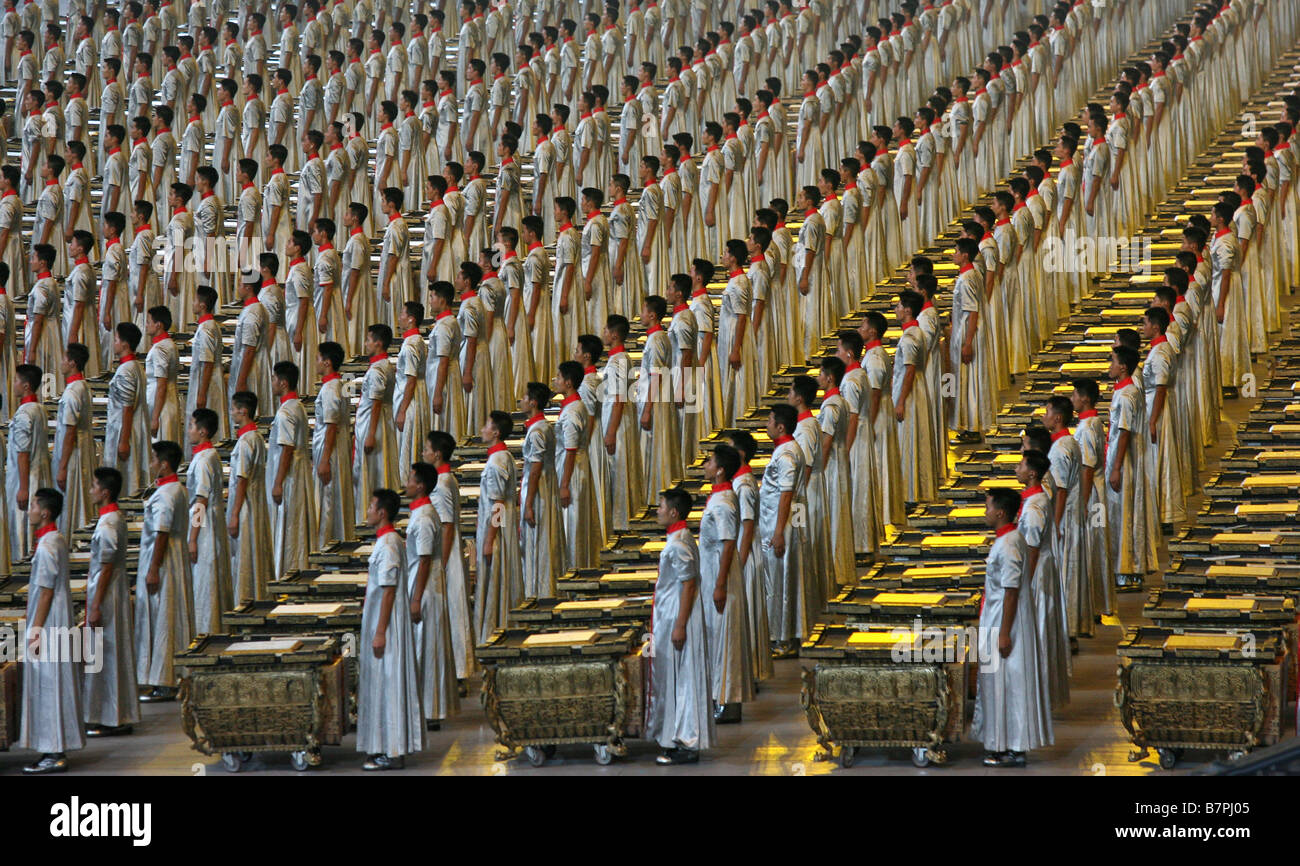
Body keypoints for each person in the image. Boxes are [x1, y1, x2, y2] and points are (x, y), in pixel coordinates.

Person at [972, 487, 1052, 768]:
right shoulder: (1011, 538)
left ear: (1000, 512)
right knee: (1002, 685)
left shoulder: (1007, 546)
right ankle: (1005, 743)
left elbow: (1010, 591)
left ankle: (1010, 747)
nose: (985, 511)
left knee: (1005, 685)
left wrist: (1004, 633)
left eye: (988, 506)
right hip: (997, 619)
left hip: (1003, 624)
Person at [17, 487, 84, 774]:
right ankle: (54, 747)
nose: (29, 509)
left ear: (44, 512)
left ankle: (53, 751)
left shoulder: (46, 546)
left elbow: (44, 593)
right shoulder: (54, 539)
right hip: (56, 621)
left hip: (49, 624)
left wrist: (35, 630)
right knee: (55, 684)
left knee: (48, 687)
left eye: (32, 504)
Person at [357, 487, 424, 770]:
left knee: (388, 684)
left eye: (371, 506)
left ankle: (391, 750)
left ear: (382, 512)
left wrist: (381, 630)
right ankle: (385, 747)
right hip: (381, 622)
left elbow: (387, 592)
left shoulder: (388, 545)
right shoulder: (388, 541)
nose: (368, 511)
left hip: (387, 626)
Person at [646, 485, 713, 765]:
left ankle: (687, 742)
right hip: (669, 615)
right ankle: (673, 736)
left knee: (683, 679)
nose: (657, 511)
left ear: (674, 512)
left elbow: (689, 584)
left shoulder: (680, 543)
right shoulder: (678, 537)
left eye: (661, 506)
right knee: (672, 678)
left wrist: (680, 625)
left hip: (678, 616)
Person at [699, 443, 755, 723]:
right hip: (713, 573)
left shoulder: (723, 504)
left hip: (721, 577)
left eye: (709, 461)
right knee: (717, 636)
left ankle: (726, 701)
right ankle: (720, 698)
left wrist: (720, 584)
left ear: (720, 470)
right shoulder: (718, 497)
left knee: (723, 637)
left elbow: (729, 542)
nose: (705, 465)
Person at [83, 467, 139, 738]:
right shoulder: (114, 518)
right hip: (110, 590)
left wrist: (95, 606)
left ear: (104, 493)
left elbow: (105, 567)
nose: (91, 489)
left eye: (94, 485)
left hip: (106, 594)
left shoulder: (108, 524)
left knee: (105, 653)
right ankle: (111, 713)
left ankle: (108, 715)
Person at [135, 439, 191, 702]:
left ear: (164, 464)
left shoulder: (167, 495)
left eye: (154, 460)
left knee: (162, 619)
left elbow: (161, 534)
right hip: (174, 562)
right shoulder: (176, 489)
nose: (151, 464)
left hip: (164, 563)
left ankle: (164, 679)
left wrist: (153, 568)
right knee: (170, 617)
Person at [405, 462, 459, 730]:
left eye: (410, 479)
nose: (407, 483)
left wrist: (415, 598)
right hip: (423, 586)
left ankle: (429, 709)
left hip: (425, 590)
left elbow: (425, 560)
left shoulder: (426, 517)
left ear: (421, 486)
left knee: (425, 648)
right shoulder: (420, 513)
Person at [1015, 449, 1069, 711]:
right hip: (1036, 569)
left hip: (1036, 574)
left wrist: (1023, 584)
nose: (1017, 469)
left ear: (1032, 473)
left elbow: (1033, 550)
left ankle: (1039, 690)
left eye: (1021, 465)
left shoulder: (1035, 507)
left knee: (1039, 628)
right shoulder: (1032, 501)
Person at [424, 430, 476, 687]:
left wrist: (441, 567)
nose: (423, 453)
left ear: (437, 454)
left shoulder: (442, 484)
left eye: (426, 449)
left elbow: (445, 526)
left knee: (450, 613)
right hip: (448, 552)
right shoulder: (445, 479)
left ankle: (456, 674)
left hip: (446, 554)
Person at [1106, 345, 1156, 592]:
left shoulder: (1126, 395)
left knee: (1124, 515)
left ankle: (1127, 571)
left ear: (1123, 366)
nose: (1110, 366)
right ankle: (1125, 569)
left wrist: (1116, 468)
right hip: (1122, 460)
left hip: (1123, 463)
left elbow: (1124, 432)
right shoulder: (1124, 391)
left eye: (1112, 361)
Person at [760, 403, 807, 658]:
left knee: (778, 584)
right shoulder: (785, 450)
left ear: (780, 426)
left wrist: (778, 532)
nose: (766, 424)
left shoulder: (787, 454)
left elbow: (785, 495)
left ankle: (781, 639)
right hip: (776, 525)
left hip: (780, 527)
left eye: (769, 420)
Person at [474, 410, 522, 643]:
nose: (482, 428)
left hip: (496, 530)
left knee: (496, 580)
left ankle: (495, 630)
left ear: (496, 432)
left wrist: (489, 539)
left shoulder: (497, 461)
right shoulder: (502, 456)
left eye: (486, 425)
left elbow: (498, 504)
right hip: (500, 527)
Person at [728, 431, 772, 684]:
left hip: (746, 553)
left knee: (748, 612)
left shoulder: (743, 485)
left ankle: (750, 670)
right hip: (743, 551)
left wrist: (739, 562)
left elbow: (747, 525)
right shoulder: (740, 480)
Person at [268, 361, 317, 579]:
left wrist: (278, 482)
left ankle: (288, 568)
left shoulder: (286, 412)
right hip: (299, 472)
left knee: (289, 522)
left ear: (283, 382)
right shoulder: (296, 405)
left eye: (274, 378)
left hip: (289, 475)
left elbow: (286, 448)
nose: (272, 382)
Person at [186, 407, 232, 633]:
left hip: (204, 527)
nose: (189, 430)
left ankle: (207, 628)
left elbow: (201, 501)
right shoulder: (209, 454)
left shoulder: (204, 460)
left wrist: (193, 538)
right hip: (210, 521)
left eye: (192, 426)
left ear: (203, 431)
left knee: (205, 580)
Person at [1141, 305, 1186, 528]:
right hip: (1155, 407)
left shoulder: (1160, 354)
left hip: (1157, 410)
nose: (1143, 328)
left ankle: (1163, 514)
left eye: (1145, 323)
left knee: (1159, 459)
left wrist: (1152, 421)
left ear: (1156, 327)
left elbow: (1160, 388)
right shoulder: (1158, 349)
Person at [227, 391, 274, 602]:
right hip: (254, 502)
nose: (231, 413)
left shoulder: (247, 441)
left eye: (233, 409)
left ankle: (245, 597)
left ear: (243, 411)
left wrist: (235, 513)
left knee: (245, 553)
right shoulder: (255, 436)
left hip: (245, 504)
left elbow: (242, 479)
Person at [892, 289, 937, 503]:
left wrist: (900, 401)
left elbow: (909, 370)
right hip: (916, 389)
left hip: (909, 392)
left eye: (899, 306)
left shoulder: (910, 337)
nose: (896, 309)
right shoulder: (915, 332)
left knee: (907, 441)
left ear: (908, 310)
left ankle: (909, 493)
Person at [554, 359, 600, 571]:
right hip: (577, 466)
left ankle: (572, 565)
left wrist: (564, 485)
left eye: (560, 377)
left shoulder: (572, 412)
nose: (556, 380)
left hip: (571, 469)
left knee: (571, 520)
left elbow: (570, 451)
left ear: (569, 382)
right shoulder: (576, 405)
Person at [519, 381, 562, 599]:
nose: (521, 400)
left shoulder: (537, 432)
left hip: (538, 493)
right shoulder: (543, 427)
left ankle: (538, 591)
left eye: (525, 397)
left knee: (537, 542)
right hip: (543, 488)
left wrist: (528, 504)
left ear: (533, 402)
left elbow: (535, 470)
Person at [637, 295, 682, 504]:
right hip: (658, 398)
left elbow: (656, 375)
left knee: (654, 446)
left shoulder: (656, 340)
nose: (641, 314)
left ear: (652, 315)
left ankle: (655, 493)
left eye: (644, 310)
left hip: (654, 401)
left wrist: (647, 410)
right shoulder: (659, 337)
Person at [313, 342, 355, 550]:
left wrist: (324, 460)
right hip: (339, 446)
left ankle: (327, 543)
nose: (316, 362)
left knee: (328, 499)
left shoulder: (331, 389)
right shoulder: (342, 384)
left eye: (318, 358)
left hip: (330, 449)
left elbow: (331, 426)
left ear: (327, 362)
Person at [355, 324, 400, 518]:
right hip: (381, 421)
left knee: (374, 469)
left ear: (378, 343)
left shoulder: (377, 370)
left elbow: (376, 403)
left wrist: (371, 434)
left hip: (375, 424)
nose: (366, 344)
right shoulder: (384, 365)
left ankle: (372, 511)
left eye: (368, 340)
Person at [8, 364, 51, 560]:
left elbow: (23, 452)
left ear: (26, 386)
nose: (13, 384)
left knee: (23, 521)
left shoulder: (24, 413)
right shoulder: (40, 408)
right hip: (39, 471)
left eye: (16, 381)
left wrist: (23, 487)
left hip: (26, 476)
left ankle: (24, 553)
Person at [104, 322, 150, 496]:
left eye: (116, 339)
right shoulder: (135, 366)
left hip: (123, 432)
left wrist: (123, 441)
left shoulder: (126, 371)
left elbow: (127, 408)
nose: (114, 342)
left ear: (125, 344)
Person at [186, 286, 229, 441]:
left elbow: (208, 362)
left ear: (202, 305)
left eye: (195, 300)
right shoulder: (209, 325)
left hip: (208, 382)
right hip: (207, 377)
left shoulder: (207, 329)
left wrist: (202, 393)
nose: (193, 303)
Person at [426, 280, 466, 442]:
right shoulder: (450, 321)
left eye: (432, 297)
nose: (430, 301)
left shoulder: (444, 327)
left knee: (442, 422)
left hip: (443, 379)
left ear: (442, 300)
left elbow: (443, 361)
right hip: (450, 375)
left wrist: (437, 394)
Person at [229, 271, 272, 413]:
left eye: (240, 284)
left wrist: (241, 381)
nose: (238, 287)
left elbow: (249, 350)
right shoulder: (255, 308)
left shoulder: (252, 314)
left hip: (251, 370)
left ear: (248, 287)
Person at [144, 305, 182, 444]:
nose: (146, 325)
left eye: (148, 321)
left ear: (158, 325)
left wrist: (155, 418)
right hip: (168, 402)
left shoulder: (160, 349)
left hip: (162, 407)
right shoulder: (169, 344)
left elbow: (161, 385)